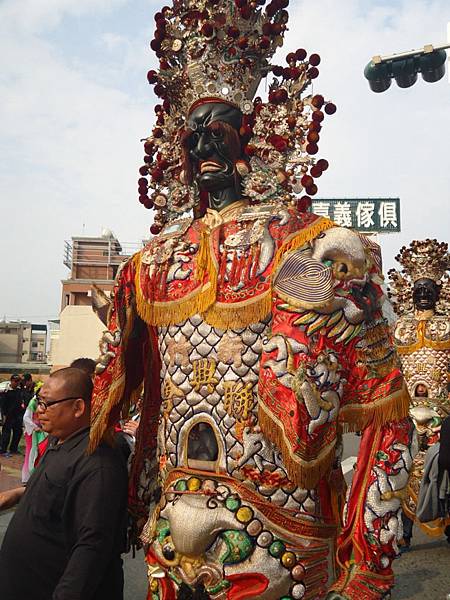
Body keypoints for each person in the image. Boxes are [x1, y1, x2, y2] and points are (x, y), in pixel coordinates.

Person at [89, 2, 413, 598]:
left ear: (253, 137)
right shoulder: (150, 265)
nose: (203, 141)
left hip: (277, 521)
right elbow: (127, 393)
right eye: (193, 131)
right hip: (174, 508)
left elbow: (385, 407)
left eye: (220, 127)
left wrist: (371, 557)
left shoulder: (311, 248)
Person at [0, 367, 128, 600]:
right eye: (39, 403)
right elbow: (58, 490)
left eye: (46, 404)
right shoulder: (59, 442)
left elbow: (92, 545)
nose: (39, 412)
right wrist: (18, 495)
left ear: (78, 407)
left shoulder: (97, 462)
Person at [389, 239, 450, 546]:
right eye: (419, 288)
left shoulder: (447, 327)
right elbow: (391, 370)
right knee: (402, 468)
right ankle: (405, 531)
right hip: (407, 412)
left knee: (442, 467)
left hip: (443, 412)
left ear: (438, 293)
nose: (424, 293)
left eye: (429, 288)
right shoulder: (399, 329)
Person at [0, 374, 25, 456]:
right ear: (11, 381)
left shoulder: (19, 391)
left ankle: (13, 449)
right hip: (8, 415)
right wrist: (4, 415)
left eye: (18, 381)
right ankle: (3, 450)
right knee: (6, 433)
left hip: (17, 415)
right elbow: (3, 405)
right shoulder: (6, 392)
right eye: (15, 381)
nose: (17, 383)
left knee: (18, 432)